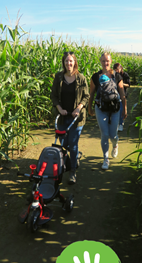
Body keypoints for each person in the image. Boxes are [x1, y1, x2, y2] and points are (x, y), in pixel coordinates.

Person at [51, 52, 90, 184]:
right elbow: (54, 96)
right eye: (67, 61)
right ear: (63, 62)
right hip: (62, 116)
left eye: (71, 61)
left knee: (72, 145)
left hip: (76, 118)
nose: (69, 63)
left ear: (75, 62)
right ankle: (72, 159)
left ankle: (72, 170)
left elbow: (86, 96)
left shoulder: (81, 78)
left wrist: (79, 107)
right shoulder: (59, 77)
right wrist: (59, 109)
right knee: (64, 144)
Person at [88, 52, 127, 170]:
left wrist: (124, 109)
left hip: (115, 108)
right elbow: (91, 94)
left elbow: (122, 94)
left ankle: (115, 145)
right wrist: (89, 108)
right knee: (104, 134)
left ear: (110, 62)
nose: (106, 63)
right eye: (103, 61)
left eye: (108, 61)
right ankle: (106, 158)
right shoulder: (95, 77)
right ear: (100, 62)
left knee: (113, 135)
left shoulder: (117, 76)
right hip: (100, 109)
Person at [113, 63, 130, 131]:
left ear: (121, 68)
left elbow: (128, 85)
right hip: (116, 94)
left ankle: (121, 123)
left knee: (122, 108)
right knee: (117, 109)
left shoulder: (125, 75)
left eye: (117, 69)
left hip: (122, 93)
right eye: (115, 70)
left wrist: (121, 84)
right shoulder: (113, 75)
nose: (116, 71)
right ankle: (117, 123)